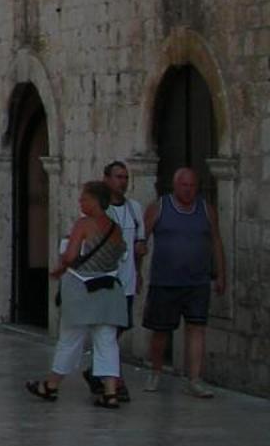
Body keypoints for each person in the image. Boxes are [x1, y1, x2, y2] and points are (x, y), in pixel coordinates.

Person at [25, 180, 129, 406]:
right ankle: (110, 393)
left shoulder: (83, 224)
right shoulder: (116, 228)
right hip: (109, 290)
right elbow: (121, 255)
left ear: (95, 201)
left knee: (70, 340)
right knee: (107, 342)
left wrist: (62, 264)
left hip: (82, 290)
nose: (81, 201)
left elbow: (71, 256)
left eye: (84, 198)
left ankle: (51, 385)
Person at [143, 166, 226, 397]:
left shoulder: (206, 210)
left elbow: (216, 242)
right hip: (165, 281)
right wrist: (137, 272)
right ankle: (156, 372)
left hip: (197, 282)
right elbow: (142, 240)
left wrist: (221, 274)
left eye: (192, 186)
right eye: (184, 185)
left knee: (196, 328)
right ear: (175, 185)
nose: (188, 190)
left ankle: (195, 379)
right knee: (160, 331)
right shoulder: (159, 208)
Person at [85, 160, 146, 404]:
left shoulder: (134, 209)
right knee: (108, 332)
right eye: (118, 177)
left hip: (127, 282)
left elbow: (139, 246)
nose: (123, 182)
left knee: (118, 330)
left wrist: (139, 272)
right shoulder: (98, 211)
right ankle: (112, 381)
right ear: (106, 179)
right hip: (105, 282)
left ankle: (98, 373)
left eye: (125, 177)